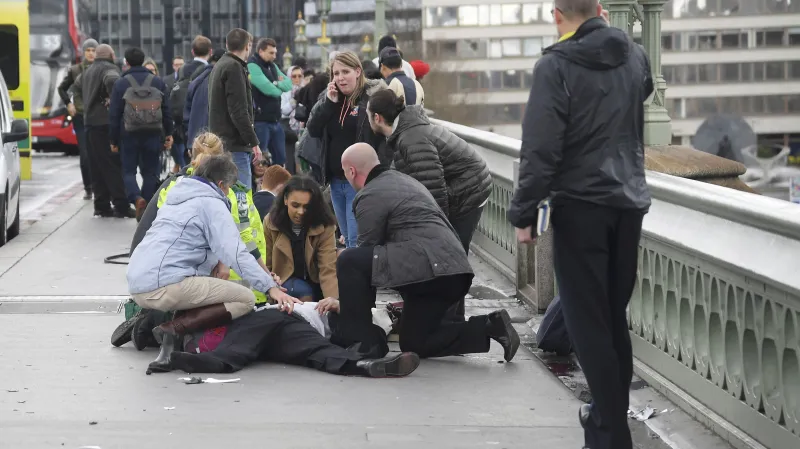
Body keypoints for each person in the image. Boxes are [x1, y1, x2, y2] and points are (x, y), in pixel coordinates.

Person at [507, 3, 652, 449]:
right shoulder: (635, 54)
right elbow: (642, 92)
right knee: (611, 319)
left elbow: (541, 145)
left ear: (556, 14)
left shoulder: (556, 65)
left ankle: (611, 435)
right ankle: (607, 424)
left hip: (581, 205)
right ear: (602, 11)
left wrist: (524, 211)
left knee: (588, 326)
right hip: (629, 202)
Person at [326, 142, 520, 362]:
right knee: (415, 343)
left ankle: (363, 345)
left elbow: (363, 257)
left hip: (430, 270)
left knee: (348, 259)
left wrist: (349, 308)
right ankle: (489, 326)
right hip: (454, 273)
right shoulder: (405, 181)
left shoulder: (370, 194)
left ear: (351, 171)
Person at [127, 153, 301, 373]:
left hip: (139, 281)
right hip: (165, 283)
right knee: (244, 298)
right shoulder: (211, 203)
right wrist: (270, 288)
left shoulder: (179, 196)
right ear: (220, 184)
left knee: (206, 285)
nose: (229, 192)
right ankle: (170, 329)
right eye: (229, 187)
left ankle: (167, 345)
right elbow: (236, 252)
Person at [367, 89, 492, 322]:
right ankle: (447, 317)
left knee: (452, 256)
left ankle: (452, 320)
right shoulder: (405, 133)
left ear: (376, 117)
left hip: (470, 191)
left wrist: (437, 235)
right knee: (448, 255)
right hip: (463, 186)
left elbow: (433, 192)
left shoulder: (411, 139)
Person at [305, 51, 388, 248]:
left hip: (360, 181)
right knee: (347, 238)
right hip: (335, 181)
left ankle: (357, 278)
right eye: (336, 73)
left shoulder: (371, 98)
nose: (340, 78)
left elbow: (385, 139)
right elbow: (313, 129)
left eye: (345, 72)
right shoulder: (331, 99)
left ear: (358, 71)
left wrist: (380, 173)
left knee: (355, 240)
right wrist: (328, 103)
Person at [109, 47, 173, 220]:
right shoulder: (157, 82)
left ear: (127, 63)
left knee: (128, 171)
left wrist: (113, 139)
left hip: (128, 135)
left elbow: (114, 113)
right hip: (153, 134)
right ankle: (145, 204)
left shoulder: (121, 84)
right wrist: (169, 133)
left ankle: (136, 198)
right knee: (150, 172)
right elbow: (167, 110)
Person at [263, 175, 338, 303]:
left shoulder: (325, 225)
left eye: (306, 207)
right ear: (285, 200)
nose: (301, 212)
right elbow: (267, 263)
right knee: (303, 290)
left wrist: (333, 300)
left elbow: (328, 267)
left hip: (317, 280)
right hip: (284, 281)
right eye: (295, 205)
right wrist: (270, 291)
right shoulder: (271, 222)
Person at [81, 44, 134, 218]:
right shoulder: (110, 69)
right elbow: (112, 80)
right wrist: (114, 99)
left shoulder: (88, 70)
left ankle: (101, 205)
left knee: (96, 166)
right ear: (110, 55)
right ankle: (121, 205)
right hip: (104, 123)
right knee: (112, 165)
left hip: (89, 123)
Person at [209, 28, 262, 187]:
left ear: (227, 44)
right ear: (248, 46)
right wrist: (254, 143)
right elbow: (238, 111)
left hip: (222, 143)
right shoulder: (234, 67)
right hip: (235, 146)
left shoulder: (220, 65)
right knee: (241, 199)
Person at [57, 38, 97, 200]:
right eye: (88, 50)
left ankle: (98, 185)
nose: (91, 53)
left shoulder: (102, 69)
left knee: (98, 152)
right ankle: (88, 187)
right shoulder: (75, 70)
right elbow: (61, 89)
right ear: (84, 53)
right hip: (80, 116)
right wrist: (68, 104)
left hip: (97, 116)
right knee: (85, 152)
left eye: (93, 50)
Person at [170, 36, 214, 172]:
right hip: (205, 125)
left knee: (189, 165)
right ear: (210, 52)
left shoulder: (183, 69)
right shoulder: (210, 71)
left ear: (192, 52)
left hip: (184, 126)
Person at [249, 38, 293, 168]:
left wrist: (275, 83)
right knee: (260, 160)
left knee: (281, 158)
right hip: (261, 120)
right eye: (271, 53)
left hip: (275, 120)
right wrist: (278, 86)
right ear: (261, 51)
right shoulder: (252, 65)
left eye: (275, 53)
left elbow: (288, 84)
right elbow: (268, 90)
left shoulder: (273, 66)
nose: (274, 56)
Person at [184, 49, 224, 145]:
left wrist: (190, 138)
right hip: (217, 140)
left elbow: (186, 112)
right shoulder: (224, 79)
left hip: (197, 139)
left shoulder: (197, 80)